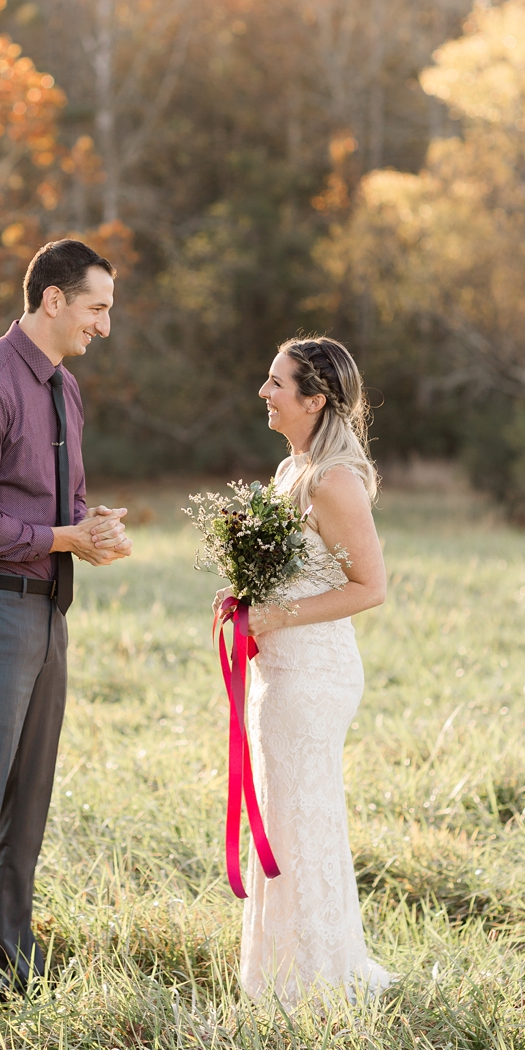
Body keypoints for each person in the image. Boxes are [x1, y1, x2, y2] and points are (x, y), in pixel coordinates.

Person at [0, 238, 133, 1009]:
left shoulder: (63, 389)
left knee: (26, 800)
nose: (103, 325)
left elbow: (50, 505)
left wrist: (88, 527)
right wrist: (61, 538)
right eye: (96, 308)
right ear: (53, 299)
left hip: (46, 612)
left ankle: (11, 958)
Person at [233, 337, 393, 1003]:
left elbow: (371, 587)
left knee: (302, 824)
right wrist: (246, 600)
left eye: (277, 384)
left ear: (315, 399)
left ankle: (314, 984)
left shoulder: (334, 480)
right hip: (278, 672)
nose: (265, 393)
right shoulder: (289, 470)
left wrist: (277, 618)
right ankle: (279, 977)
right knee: (279, 823)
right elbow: (288, 574)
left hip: (315, 676)